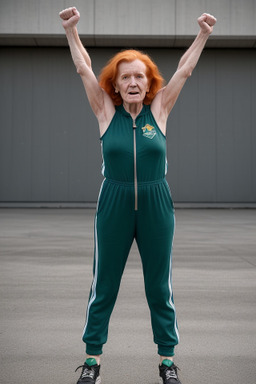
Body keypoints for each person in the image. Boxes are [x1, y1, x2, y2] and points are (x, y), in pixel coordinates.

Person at [59, 7, 216, 384]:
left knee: (159, 286)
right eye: (126, 76)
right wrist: (71, 30)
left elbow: (185, 70)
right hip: (112, 201)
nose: (132, 82)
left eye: (140, 77)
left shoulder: (159, 110)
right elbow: (83, 68)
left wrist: (203, 35)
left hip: (155, 202)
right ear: (116, 83)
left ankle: (167, 362)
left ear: (149, 85)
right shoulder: (104, 111)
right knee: (104, 285)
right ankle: (92, 362)